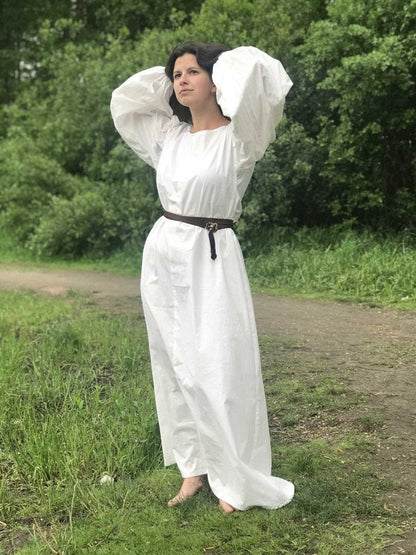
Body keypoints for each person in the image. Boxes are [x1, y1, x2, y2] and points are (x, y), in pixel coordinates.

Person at [110, 41, 294, 513]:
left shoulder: (241, 139)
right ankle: (193, 469)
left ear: (216, 81)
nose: (182, 80)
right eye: (176, 76)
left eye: (194, 72)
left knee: (219, 364)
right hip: (165, 252)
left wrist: (217, 62)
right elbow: (128, 100)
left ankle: (233, 475)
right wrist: (171, 71)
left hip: (212, 256)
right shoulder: (169, 138)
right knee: (174, 364)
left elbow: (259, 77)